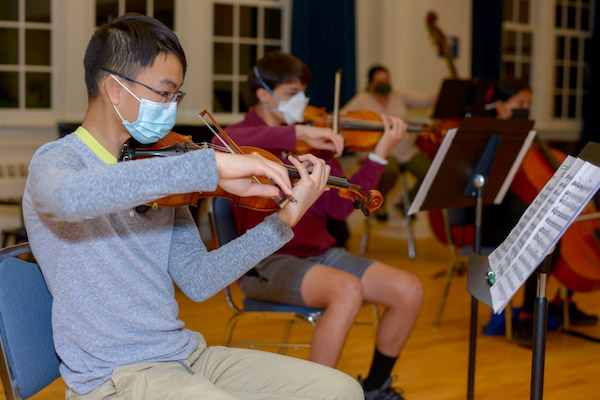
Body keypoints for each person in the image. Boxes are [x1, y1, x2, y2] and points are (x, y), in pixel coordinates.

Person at [21, 14, 365, 400]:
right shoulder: (57, 161)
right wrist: (207, 166)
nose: (170, 108)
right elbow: (70, 199)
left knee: (340, 390)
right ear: (115, 88)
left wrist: (285, 218)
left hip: (186, 356)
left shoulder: (159, 166)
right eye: (163, 93)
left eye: (176, 96)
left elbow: (198, 280)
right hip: (116, 377)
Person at [219, 52, 424, 400]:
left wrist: (378, 155)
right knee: (347, 290)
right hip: (267, 261)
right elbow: (224, 140)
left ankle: (374, 388)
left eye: (304, 91)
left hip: (320, 253)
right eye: (291, 92)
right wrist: (299, 132)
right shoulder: (243, 140)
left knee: (409, 290)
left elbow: (339, 210)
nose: (303, 100)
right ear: (263, 95)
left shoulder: (314, 144)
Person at [482, 79, 598, 347]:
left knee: (566, 228)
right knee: (544, 239)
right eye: (519, 104)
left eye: (528, 105)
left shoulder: (527, 141)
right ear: (499, 105)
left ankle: (560, 302)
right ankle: (527, 314)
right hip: (496, 218)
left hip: (520, 214)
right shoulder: (490, 137)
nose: (525, 109)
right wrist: (506, 130)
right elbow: (499, 190)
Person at [341, 65, 437, 220]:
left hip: (406, 151)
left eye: (386, 80)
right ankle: (378, 201)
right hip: (380, 150)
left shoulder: (398, 96)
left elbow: (424, 100)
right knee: (390, 171)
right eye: (379, 81)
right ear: (370, 83)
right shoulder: (363, 99)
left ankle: (406, 202)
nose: (384, 84)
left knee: (433, 171)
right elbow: (341, 117)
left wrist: (441, 94)